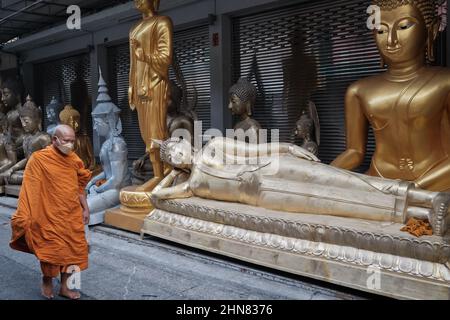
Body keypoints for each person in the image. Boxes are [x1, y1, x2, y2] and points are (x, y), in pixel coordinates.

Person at [151, 137, 450, 236]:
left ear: (187, 141)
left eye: (177, 147)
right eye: (173, 157)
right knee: (337, 202)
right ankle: (419, 214)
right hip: (263, 194)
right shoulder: (192, 184)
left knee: (340, 179)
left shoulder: (215, 144)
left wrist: (288, 148)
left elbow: (255, 149)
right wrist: (170, 175)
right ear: (175, 164)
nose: (179, 153)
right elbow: (157, 195)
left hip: (272, 166)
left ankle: (429, 196)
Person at [331, 0, 450, 192]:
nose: (391, 39)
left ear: (432, 30)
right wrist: (321, 175)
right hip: (379, 184)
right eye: (381, 30)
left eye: (403, 26)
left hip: (434, 186)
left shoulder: (444, 82)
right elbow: (354, 152)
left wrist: (414, 188)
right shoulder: (359, 91)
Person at [10, 124, 91, 299]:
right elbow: (30, 188)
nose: (70, 144)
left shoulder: (74, 159)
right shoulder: (39, 159)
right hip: (48, 214)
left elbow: (79, 186)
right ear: (55, 140)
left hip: (71, 214)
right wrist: (29, 213)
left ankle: (66, 287)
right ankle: (47, 280)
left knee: (75, 250)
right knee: (51, 251)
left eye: (72, 141)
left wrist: (85, 208)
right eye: (66, 141)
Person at [129, 0, 173, 192]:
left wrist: (144, 56)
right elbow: (133, 62)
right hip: (140, 86)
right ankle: (162, 173)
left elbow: (166, 58)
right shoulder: (134, 28)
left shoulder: (162, 22)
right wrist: (130, 85)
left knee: (157, 131)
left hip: (155, 84)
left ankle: (160, 175)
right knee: (146, 133)